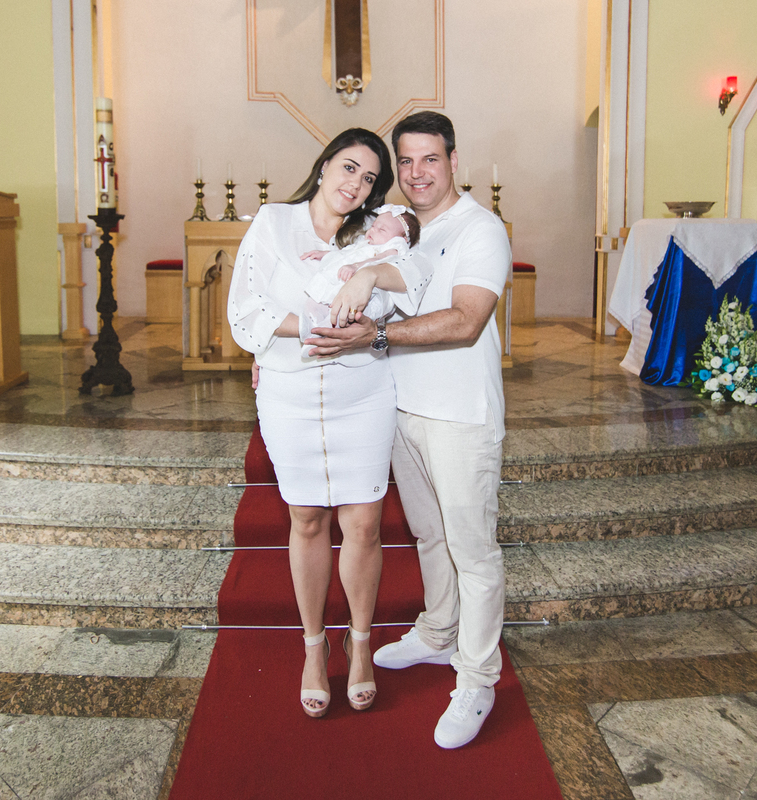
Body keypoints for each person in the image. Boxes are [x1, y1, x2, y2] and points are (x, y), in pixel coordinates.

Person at [306, 111, 512, 748]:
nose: (419, 173)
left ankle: (477, 678)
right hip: (401, 406)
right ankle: (437, 631)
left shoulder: (482, 229)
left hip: (460, 413)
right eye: (409, 161)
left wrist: (373, 336)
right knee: (427, 534)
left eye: (432, 159)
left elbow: (465, 321)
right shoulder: (396, 227)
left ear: (453, 159)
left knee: (473, 549)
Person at [226, 128, 431, 719]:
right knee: (307, 518)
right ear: (323, 167)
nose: (355, 185)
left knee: (365, 523)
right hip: (288, 390)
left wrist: (368, 277)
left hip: (361, 389)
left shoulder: (377, 231)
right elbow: (246, 312)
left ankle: (360, 643)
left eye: (368, 178)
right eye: (348, 168)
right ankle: (315, 647)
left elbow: (413, 284)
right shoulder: (272, 223)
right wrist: (314, 324)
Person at [297, 205, 421, 352]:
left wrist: (356, 266)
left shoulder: (392, 248)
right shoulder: (366, 243)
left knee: (340, 314)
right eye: (374, 225)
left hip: (362, 293)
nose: (373, 230)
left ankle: (321, 335)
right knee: (316, 303)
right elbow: (345, 253)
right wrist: (325, 254)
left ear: (402, 239)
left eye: (381, 230)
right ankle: (313, 330)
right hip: (345, 283)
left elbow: (378, 260)